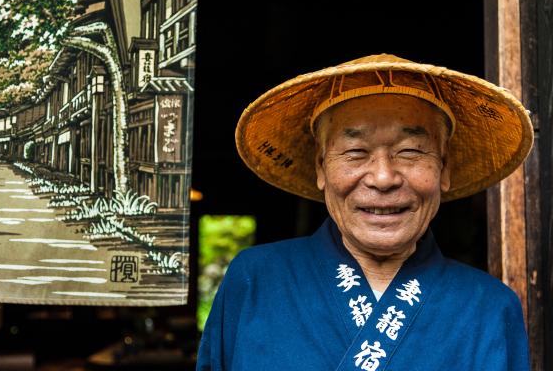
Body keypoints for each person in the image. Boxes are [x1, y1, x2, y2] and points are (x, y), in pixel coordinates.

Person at [196, 54, 532, 370]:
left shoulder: (489, 308)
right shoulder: (256, 280)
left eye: (410, 151)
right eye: (355, 151)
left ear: (443, 169)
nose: (383, 178)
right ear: (321, 168)